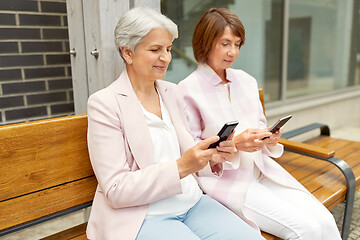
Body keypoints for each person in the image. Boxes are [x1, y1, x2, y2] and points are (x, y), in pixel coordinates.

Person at [86, 7, 265, 240]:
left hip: (192, 202)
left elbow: (189, 155)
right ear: (128, 52)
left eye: (168, 49)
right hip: (144, 215)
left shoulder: (172, 93)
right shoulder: (104, 104)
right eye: (155, 49)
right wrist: (181, 167)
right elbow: (116, 190)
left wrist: (214, 157)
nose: (166, 57)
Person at [178, 7, 341, 240]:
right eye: (225, 43)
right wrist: (235, 146)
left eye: (237, 44)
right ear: (205, 42)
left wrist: (269, 138)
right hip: (228, 182)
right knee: (306, 229)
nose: (232, 51)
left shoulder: (246, 80)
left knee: (324, 219)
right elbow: (191, 153)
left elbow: (260, 126)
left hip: (264, 171)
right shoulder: (187, 90)